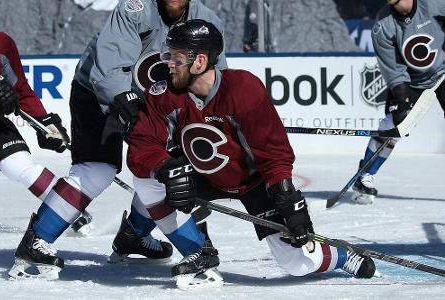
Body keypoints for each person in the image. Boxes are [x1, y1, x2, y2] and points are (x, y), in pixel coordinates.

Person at [126, 19, 376, 289]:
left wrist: (285, 193)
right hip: (200, 176)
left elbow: (274, 152)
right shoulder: (163, 94)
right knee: (147, 179)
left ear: (199, 62)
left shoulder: (242, 88)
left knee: (297, 263)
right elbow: (142, 145)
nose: (168, 64)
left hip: (253, 184)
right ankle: (197, 252)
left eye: (175, 58)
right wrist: (165, 166)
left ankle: (341, 255)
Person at [9, 0, 227, 279]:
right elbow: (111, 61)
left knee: (170, 166)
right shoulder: (134, 9)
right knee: (98, 170)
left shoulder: (207, 21)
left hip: (156, 103)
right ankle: (36, 241)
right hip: (100, 89)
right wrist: (122, 98)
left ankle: (134, 236)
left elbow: (212, 79)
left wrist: (218, 117)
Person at [352, 0, 445, 204]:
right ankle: (364, 177)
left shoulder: (433, 4)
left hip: (442, 72)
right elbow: (393, 70)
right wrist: (401, 93)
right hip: (412, 81)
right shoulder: (382, 25)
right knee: (396, 124)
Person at [0, 30, 70, 275]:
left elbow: (21, 89)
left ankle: (65, 208)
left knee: (20, 165)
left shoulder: (2, 42)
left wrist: (44, 122)